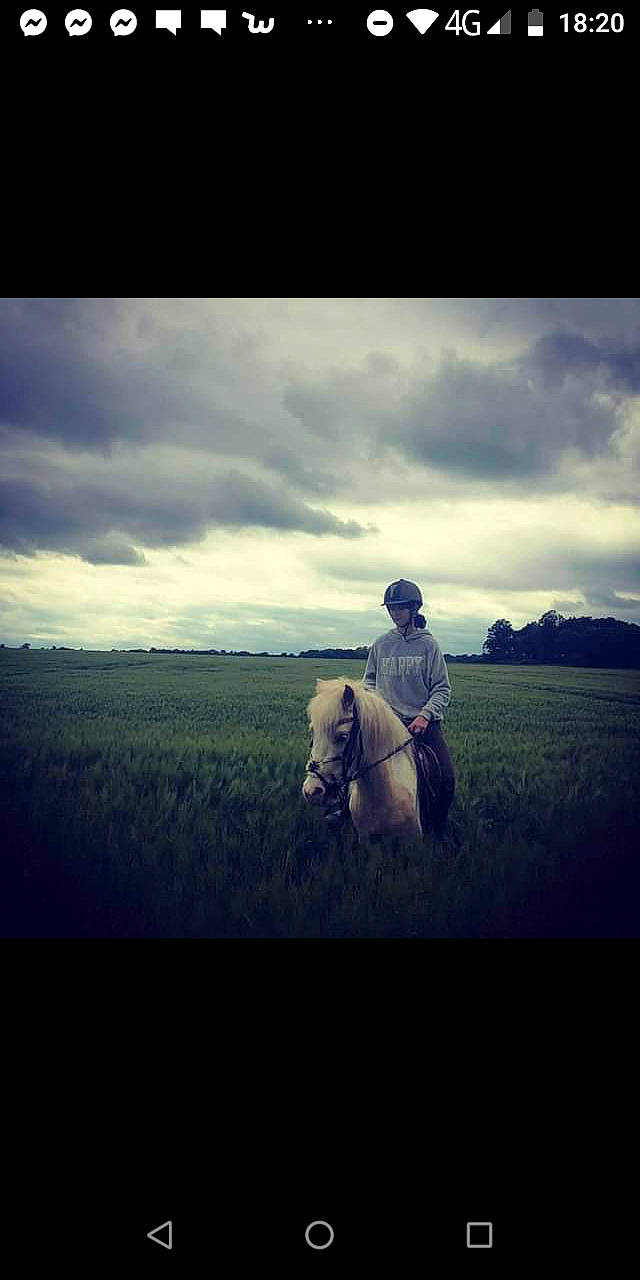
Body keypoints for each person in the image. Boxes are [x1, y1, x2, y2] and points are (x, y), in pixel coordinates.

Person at [362, 579, 456, 840]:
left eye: (400, 608)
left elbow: (441, 688)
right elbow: (369, 680)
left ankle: (438, 828)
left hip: (421, 724)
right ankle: (343, 815)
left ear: (414, 609)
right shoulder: (381, 644)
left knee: (445, 777)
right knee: (352, 765)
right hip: (386, 725)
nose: (395, 613)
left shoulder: (428, 645)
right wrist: (375, 707)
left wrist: (425, 715)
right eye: (391, 608)